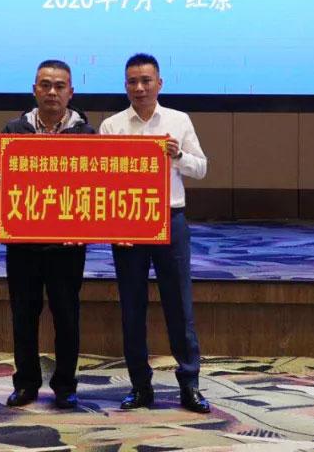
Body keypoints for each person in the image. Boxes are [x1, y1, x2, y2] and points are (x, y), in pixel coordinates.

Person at [99, 53, 210, 413]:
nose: (140, 88)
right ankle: (140, 387)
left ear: (159, 84)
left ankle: (189, 384)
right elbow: (102, 178)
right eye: (133, 81)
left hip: (169, 220)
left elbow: (201, 168)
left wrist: (178, 156)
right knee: (132, 308)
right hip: (128, 223)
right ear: (125, 86)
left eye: (146, 80)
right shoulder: (112, 126)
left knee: (179, 305)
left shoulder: (179, 120)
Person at [0, 59, 95, 410]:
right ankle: (26, 383)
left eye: (59, 86)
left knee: (67, 317)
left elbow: (97, 187)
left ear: (71, 92)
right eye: (45, 85)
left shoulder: (86, 134)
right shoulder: (14, 130)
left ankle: (65, 386)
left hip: (67, 246)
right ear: (34, 90)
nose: (52, 92)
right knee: (24, 316)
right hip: (23, 244)